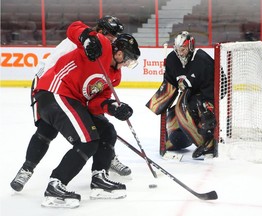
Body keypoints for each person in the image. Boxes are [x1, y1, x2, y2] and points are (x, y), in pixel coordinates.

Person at [10, 22, 140, 208]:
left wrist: (113, 108)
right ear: (119, 52)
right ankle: (55, 186)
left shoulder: (115, 76)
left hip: (74, 100)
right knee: (86, 140)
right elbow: (74, 28)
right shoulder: (101, 44)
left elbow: (95, 102)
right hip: (55, 91)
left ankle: (99, 179)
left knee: (107, 132)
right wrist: (87, 38)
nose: (128, 63)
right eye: (128, 58)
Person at [146, 31, 217, 159]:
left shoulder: (202, 59)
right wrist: (159, 103)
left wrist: (209, 106)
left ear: (190, 47)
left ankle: (208, 142)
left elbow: (215, 84)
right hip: (188, 96)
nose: (180, 53)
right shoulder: (172, 59)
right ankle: (187, 136)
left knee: (186, 107)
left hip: (205, 94)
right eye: (178, 49)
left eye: (183, 49)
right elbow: (169, 84)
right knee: (176, 136)